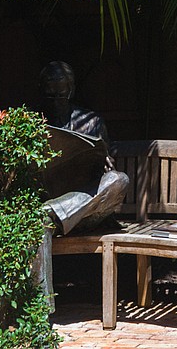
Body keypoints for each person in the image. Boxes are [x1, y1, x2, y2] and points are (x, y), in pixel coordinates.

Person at [38, 61, 129, 235]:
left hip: (84, 213)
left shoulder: (92, 122)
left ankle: (51, 213)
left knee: (120, 179)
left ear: (71, 90)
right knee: (44, 222)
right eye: (50, 96)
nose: (55, 102)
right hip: (48, 202)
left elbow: (104, 173)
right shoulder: (30, 123)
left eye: (61, 95)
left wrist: (106, 164)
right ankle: (50, 216)